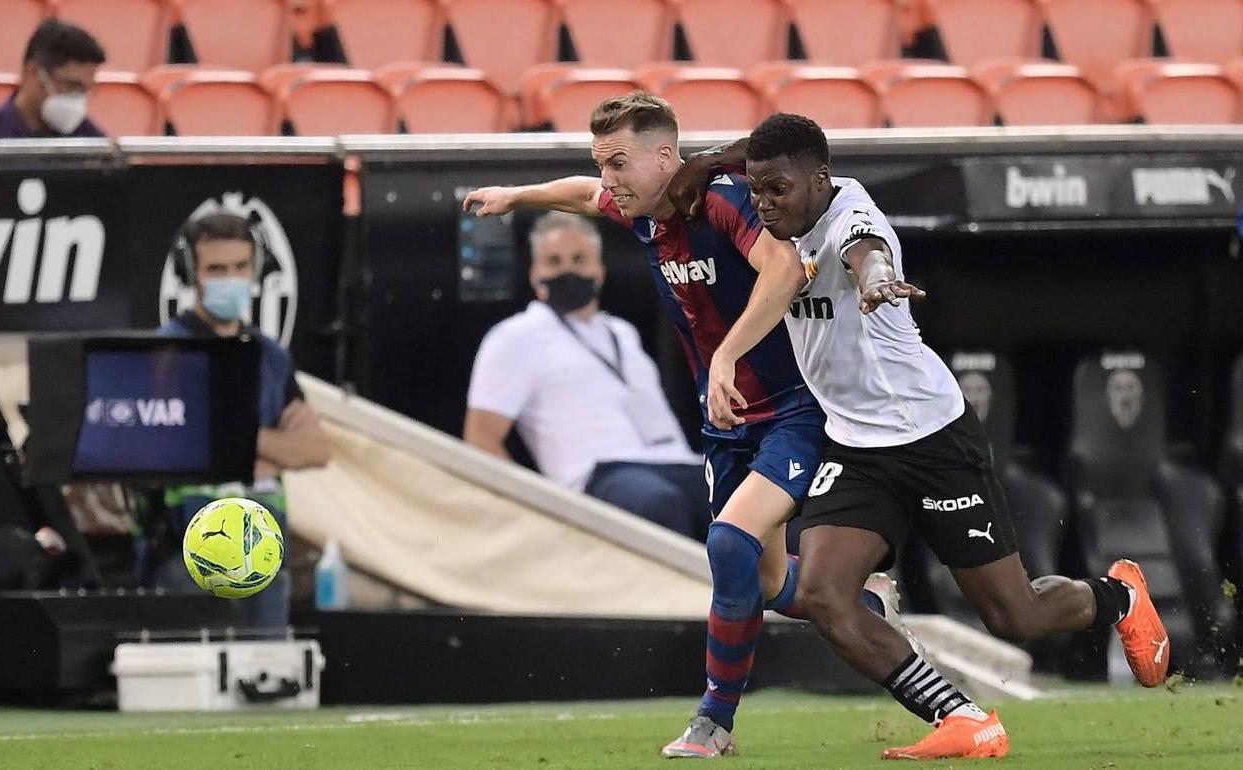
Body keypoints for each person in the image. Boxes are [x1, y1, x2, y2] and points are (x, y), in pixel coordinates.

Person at [681, 113, 1170, 760]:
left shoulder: (855, 222)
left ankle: (1121, 596)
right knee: (827, 597)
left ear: (820, 181)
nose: (766, 206)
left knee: (1013, 615)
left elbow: (868, 254)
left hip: (932, 440)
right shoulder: (785, 192)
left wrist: (878, 280)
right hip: (855, 447)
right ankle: (962, 715)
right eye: (759, 190)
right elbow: (756, 150)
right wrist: (708, 160)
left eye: (779, 192)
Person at [463, 93, 893, 758]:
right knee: (774, 585)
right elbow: (581, 195)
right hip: (727, 425)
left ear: (666, 157)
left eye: (618, 163)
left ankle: (713, 723)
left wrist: (727, 354)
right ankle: (864, 604)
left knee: (728, 547)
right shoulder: (644, 215)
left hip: (795, 409)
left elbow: (784, 268)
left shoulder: (720, 199)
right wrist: (514, 196)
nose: (608, 178)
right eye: (602, 162)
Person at [465, 211, 711, 541]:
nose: (567, 270)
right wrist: (536, 513)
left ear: (600, 271)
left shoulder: (622, 332)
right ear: (535, 276)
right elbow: (481, 439)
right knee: (658, 505)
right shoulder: (515, 337)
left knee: (752, 499)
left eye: (579, 259)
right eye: (554, 261)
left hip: (675, 460)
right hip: (601, 473)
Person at [152, 210, 331, 628]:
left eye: (240, 267)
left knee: (267, 682)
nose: (230, 278)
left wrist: (225, 436)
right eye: (216, 269)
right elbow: (172, 445)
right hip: (187, 559)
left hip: (262, 559)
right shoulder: (163, 355)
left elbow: (316, 450)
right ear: (191, 274)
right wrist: (271, 446)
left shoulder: (270, 355)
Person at [0, 20, 106, 139]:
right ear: (33, 72)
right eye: (72, 85)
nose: (78, 98)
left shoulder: (87, 135)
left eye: (85, 90)